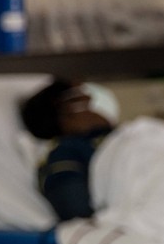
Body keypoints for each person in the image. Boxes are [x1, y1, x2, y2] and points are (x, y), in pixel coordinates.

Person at [19, 78, 118, 220]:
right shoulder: (66, 153)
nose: (89, 97)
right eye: (80, 95)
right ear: (64, 110)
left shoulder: (117, 137)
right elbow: (78, 214)